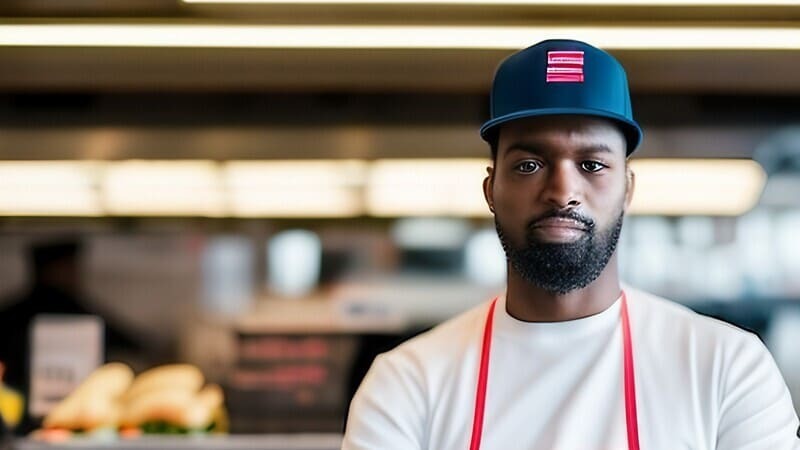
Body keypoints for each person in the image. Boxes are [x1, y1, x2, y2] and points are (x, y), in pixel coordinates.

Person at [342, 39, 800, 449]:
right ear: (490, 190)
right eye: (528, 164)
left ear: (628, 189)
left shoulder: (726, 369)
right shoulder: (407, 385)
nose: (562, 191)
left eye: (593, 165)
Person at [0, 238, 139, 433]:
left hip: (19, 422)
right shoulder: (74, 307)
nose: (76, 274)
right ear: (56, 268)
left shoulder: (13, 311)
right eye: (71, 268)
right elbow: (130, 343)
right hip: (76, 418)